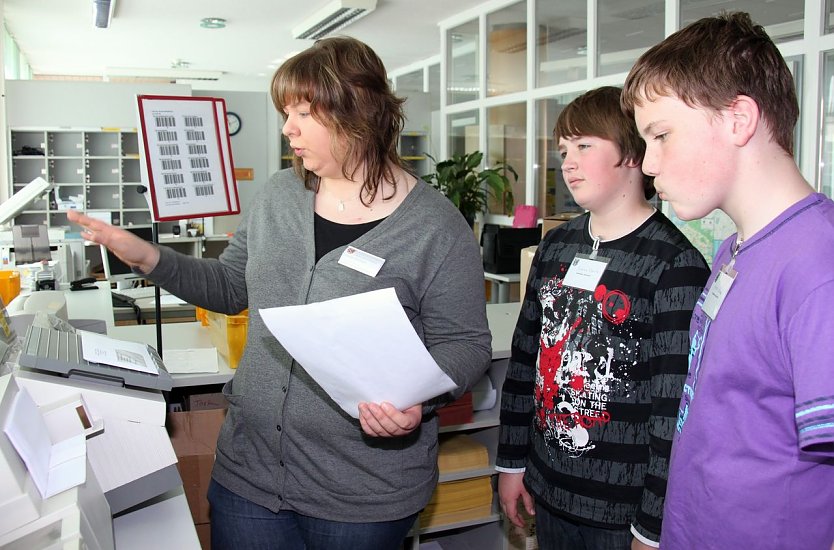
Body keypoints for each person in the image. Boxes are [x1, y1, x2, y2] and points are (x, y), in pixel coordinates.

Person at [68, 36, 492, 550]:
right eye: (286, 113)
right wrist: (146, 257)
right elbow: (230, 287)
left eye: (303, 113)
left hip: (362, 490)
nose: (288, 128)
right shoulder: (277, 195)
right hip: (250, 474)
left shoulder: (434, 226)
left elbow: (465, 343)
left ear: (358, 111)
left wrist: (416, 400)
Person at [621, 11, 834, 550]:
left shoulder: (817, 265)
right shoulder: (732, 251)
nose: (648, 164)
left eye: (661, 135)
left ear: (739, 119)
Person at [496, 85, 710, 550]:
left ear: (631, 153)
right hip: (548, 490)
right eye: (563, 151)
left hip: (621, 513)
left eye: (584, 146)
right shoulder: (555, 246)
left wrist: (651, 526)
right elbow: (524, 361)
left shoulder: (675, 265)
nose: (568, 163)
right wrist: (512, 463)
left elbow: (673, 410)